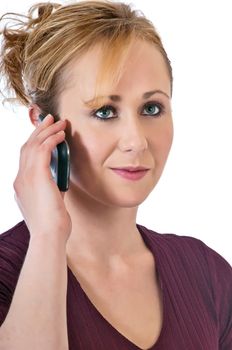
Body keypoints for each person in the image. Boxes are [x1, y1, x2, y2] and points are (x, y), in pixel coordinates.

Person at [0, 1, 231, 349]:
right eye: (105, 111)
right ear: (43, 124)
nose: (136, 141)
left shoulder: (206, 273)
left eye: (151, 108)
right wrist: (47, 235)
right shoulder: (6, 274)